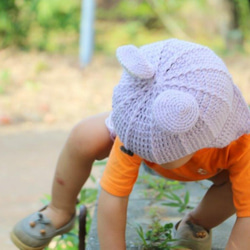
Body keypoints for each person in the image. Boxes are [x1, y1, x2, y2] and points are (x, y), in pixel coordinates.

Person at [11, 39, 250, 250]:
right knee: (85, 135)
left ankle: (195, 224)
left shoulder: (242, 145)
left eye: (153, 151)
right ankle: (59, 209)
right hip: (164, 127)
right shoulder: (138, 125)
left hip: (216, 172)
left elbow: (247, 219)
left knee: (236, 191)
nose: (141, 150)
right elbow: (114, 195)